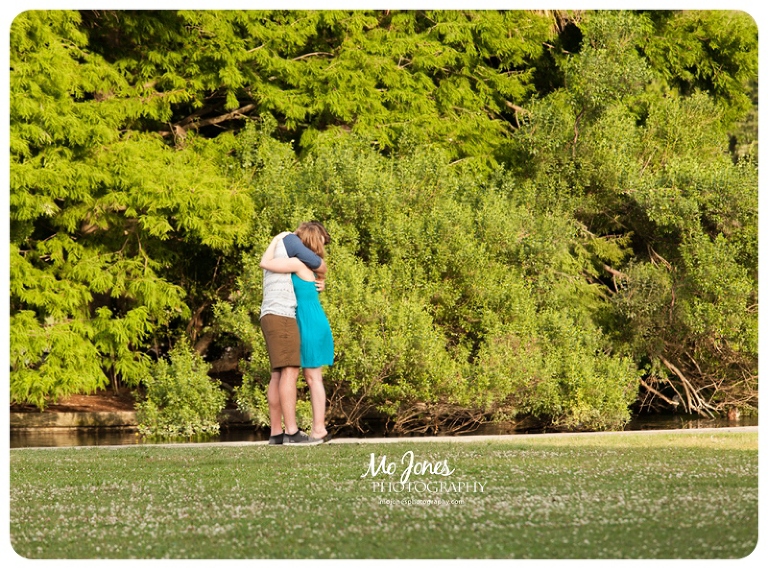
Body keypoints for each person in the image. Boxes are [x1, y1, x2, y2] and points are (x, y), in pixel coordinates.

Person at [260, 222, 332, 444]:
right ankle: (297, 430)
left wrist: (276, 240)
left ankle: (318, 429)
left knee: (311, 376)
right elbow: (319, 269)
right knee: (294, 375)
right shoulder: (299, 264)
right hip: (296, 320)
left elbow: (266, 263)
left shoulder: (296, 263)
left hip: (309, 322)